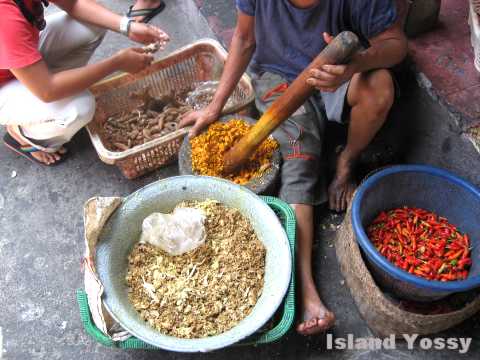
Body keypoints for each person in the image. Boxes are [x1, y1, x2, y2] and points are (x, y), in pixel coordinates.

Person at [180, 0, 408, 335]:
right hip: (280, 78)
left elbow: (396, 45)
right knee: (300, 160)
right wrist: (216, 106)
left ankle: (346, 161)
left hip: (340, 70)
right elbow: (244, 40)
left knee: (380, 88)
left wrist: (356, 63)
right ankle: (304, 288)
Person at [0, 0, 169, 165]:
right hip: (7, 85)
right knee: (79, 108)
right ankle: (24, 136)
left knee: (94, 23)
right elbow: (47, 90)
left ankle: (43, 81)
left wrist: (127, 26)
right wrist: (117, 63)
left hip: (18, 57)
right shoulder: (4, 16)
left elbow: (74, 4)